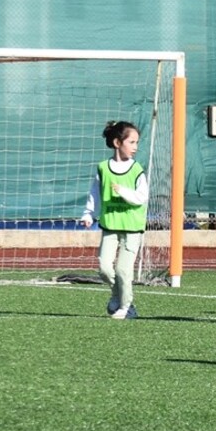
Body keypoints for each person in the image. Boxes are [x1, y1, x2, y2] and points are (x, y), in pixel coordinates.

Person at [81, 120, 149, 320]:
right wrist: (88, 213)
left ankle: (126, 307)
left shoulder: (137, 170)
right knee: (104, 268)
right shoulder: (103, 168)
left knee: (122, 270)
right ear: (118, 143)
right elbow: (95, 192)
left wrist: (124, 192)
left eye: (137, 143)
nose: (135, 147)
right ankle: (117, 295)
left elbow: (141, 197)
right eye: (132, 142)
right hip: (110, 225)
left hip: (132, 228)